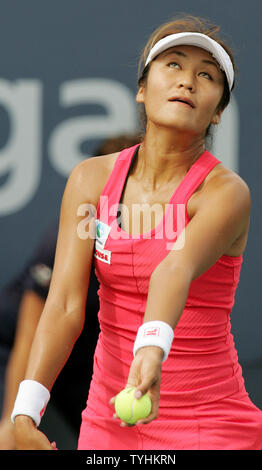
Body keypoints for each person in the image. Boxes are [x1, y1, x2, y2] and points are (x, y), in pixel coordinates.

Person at [12, 15, 262, 450]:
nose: (188, 81)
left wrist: (150, 351)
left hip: (208, 423)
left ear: (219, 112)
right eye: (174, 65)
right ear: (142, 90)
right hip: (109, 419)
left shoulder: (225, 193)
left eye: (207, 75)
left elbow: (175, 268)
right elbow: (66, 305)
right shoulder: (90, 179)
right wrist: (26, 410)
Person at [0, 136, 140, 449]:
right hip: (17, 346)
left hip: (81, 353)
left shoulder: (154, 235)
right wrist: (12, 417)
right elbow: (33, 331)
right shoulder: (67, 236)